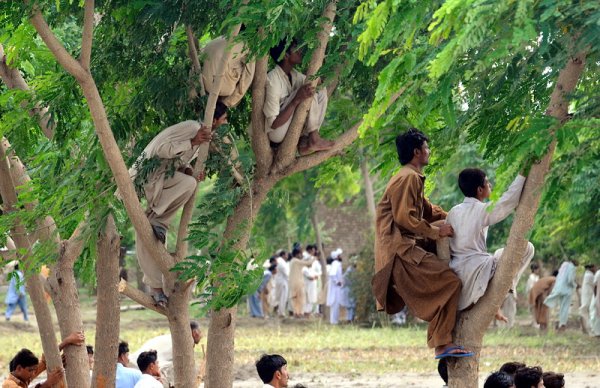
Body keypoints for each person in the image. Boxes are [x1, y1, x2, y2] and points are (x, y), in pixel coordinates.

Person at [372, 128, 471, 360]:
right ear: (417, 152)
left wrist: (461, 217)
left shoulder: (410, 176)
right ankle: (441, 343)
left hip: (406, 247)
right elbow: (404, 218)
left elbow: (428, 210)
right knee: (450, 282)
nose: (429, 151)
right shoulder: (408, 177)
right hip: (400, 252)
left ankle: (441, 339)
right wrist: (437, 232)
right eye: (426, 148)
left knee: (447, 281)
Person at [129, 105, 228, 307]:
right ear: (215, 120)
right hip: (148, 178)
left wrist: (189, 170)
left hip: (162, 179)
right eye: (224, 118)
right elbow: (162, 150)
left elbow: (177, 162)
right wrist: (192, 140)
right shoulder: (192, 127)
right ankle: (155, 287)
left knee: (190, 184)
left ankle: (158, 223)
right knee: (145, 233)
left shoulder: (201, 140)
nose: (226, 123)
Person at [447, 168, 534, 323]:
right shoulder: (481, 209)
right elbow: (509, 200)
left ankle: (506, 289)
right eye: (487, 182)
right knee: (527, 248)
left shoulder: (453, 212)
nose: (490, 185)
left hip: (456, 272)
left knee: (501, 254)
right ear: (480, 190)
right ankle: (508, 288)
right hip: (477, 271)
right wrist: (522, 174)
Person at [264, 38, 334, 155]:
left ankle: (305, 141)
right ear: (286, 55)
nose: (300, 51)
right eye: (295, 49)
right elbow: (274, 123)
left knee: (319, 90)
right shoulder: (272, 79)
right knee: (305, 89)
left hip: (291, 129)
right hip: (276, 132)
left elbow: (318, 82)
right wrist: (296, 100)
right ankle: (314, 138)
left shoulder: (295, 75)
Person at [130, 321, 202, 387]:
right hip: (141, 364)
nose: (201, 335)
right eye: (200, 332)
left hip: (138, 361)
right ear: (195, 333)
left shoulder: (171, 337)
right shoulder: (183, 343)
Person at [2, 332, 83, 388]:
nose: (33, 373)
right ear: (19, 368)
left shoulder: (24, 378)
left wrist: (66, 342)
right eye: (30, 370)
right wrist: (48, 383)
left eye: (34, 370)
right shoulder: (8, 385)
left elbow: (45, 361)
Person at [201, 36, 255, 108]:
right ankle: (222, 107)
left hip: (205, 84)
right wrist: (228, 103)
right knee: (246, 69)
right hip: (222, 88)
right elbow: (248, 76)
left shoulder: (220, 38)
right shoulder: (249, 46)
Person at [544, 259, 578, 330]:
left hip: (559, 289)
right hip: (566, 291)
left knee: (561, 307)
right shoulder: (572, 267)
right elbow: (570, 280)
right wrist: (575, 285)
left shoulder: (563, 266)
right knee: (565, 308)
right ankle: (562, 324)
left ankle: (560, 324)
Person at [288, 248, 314, 318]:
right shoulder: (296, 261)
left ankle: (297, 313)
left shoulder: (293, 261)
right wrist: (315, 257)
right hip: (298, 283)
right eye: (300, 253)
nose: (301, 255)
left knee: (296, 299)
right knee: (300, 298)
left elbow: (303, 261)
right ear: (297, 254)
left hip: (294, 283)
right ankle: (299, 313)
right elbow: (308, 263)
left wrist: (310, 256)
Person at [326, 248, 344, 325]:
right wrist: (337, 282)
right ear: (337, 257)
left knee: (336, 304)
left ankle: (334, 321)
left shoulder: (336, 264)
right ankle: (334, 321)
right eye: (339, 255)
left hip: (336, 288)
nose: (341, 256)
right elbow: (332, 275)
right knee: (334, 304)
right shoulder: (336, 263)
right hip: (335, 288)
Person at [303, 245, 321, 316]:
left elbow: (317, 272)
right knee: (307, 298)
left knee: (311, 298)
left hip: (312, 283)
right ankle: (306, 312)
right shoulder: (305, 267)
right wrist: (311, 277)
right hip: (307, 283)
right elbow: (308, 274)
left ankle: (309, 312)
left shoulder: (312, 266)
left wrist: (315, 276)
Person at [579, 264, 596, 333]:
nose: (595, 269)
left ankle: (587, 328)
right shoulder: (590, 275)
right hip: (589, 295)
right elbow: (595, 284)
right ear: (591, 268)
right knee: (589, 311)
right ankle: (590, 328)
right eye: (594, 267)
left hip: (587, 295)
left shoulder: (587, 275)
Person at [274, 251, 290, 317]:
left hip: (278, 281)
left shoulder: (279, 261)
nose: (287, 256)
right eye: (286, 255)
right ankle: (281, 312)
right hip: (283, 282)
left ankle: (279, 311)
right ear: (283, 255)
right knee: (283, 298)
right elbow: (287, 274)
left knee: (279, 297)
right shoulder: (282, 263)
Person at [340, 258, 357, 322]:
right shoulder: (349, 271)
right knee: (350, 305)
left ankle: (351, 318)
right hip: (349, 288)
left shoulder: (353, 270)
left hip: (352, 288)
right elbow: (345, 280)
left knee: (352, 304)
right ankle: (349, 319)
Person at [589, 267, 600, 336]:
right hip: (597, 296)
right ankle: (596, 333)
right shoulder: (599, 273)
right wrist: (596, 298)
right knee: (595, 314)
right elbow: (595, 287)